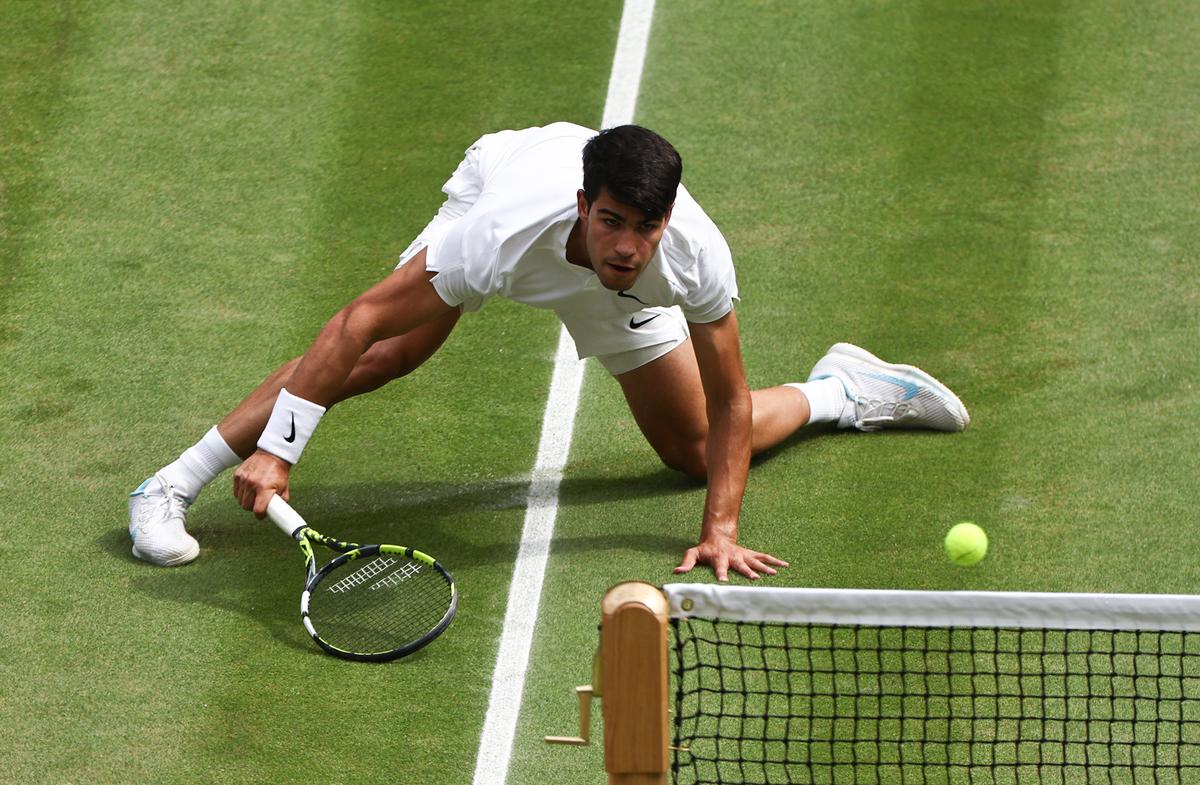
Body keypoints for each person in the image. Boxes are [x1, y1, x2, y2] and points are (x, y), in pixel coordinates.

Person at [128, 122, 969, 580]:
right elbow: (356, 325)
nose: (629, 246)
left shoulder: (694, 257)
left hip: (610, 298)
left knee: (689, 446)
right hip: (505, 202)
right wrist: (279, 453)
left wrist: (720, 527)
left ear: (667, 222)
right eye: (611, 222)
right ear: (582, 205)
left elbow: (731, 398)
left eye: (647, 227)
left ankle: (844, 391)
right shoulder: (497, 231)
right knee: (388, 355)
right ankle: (169, 484)